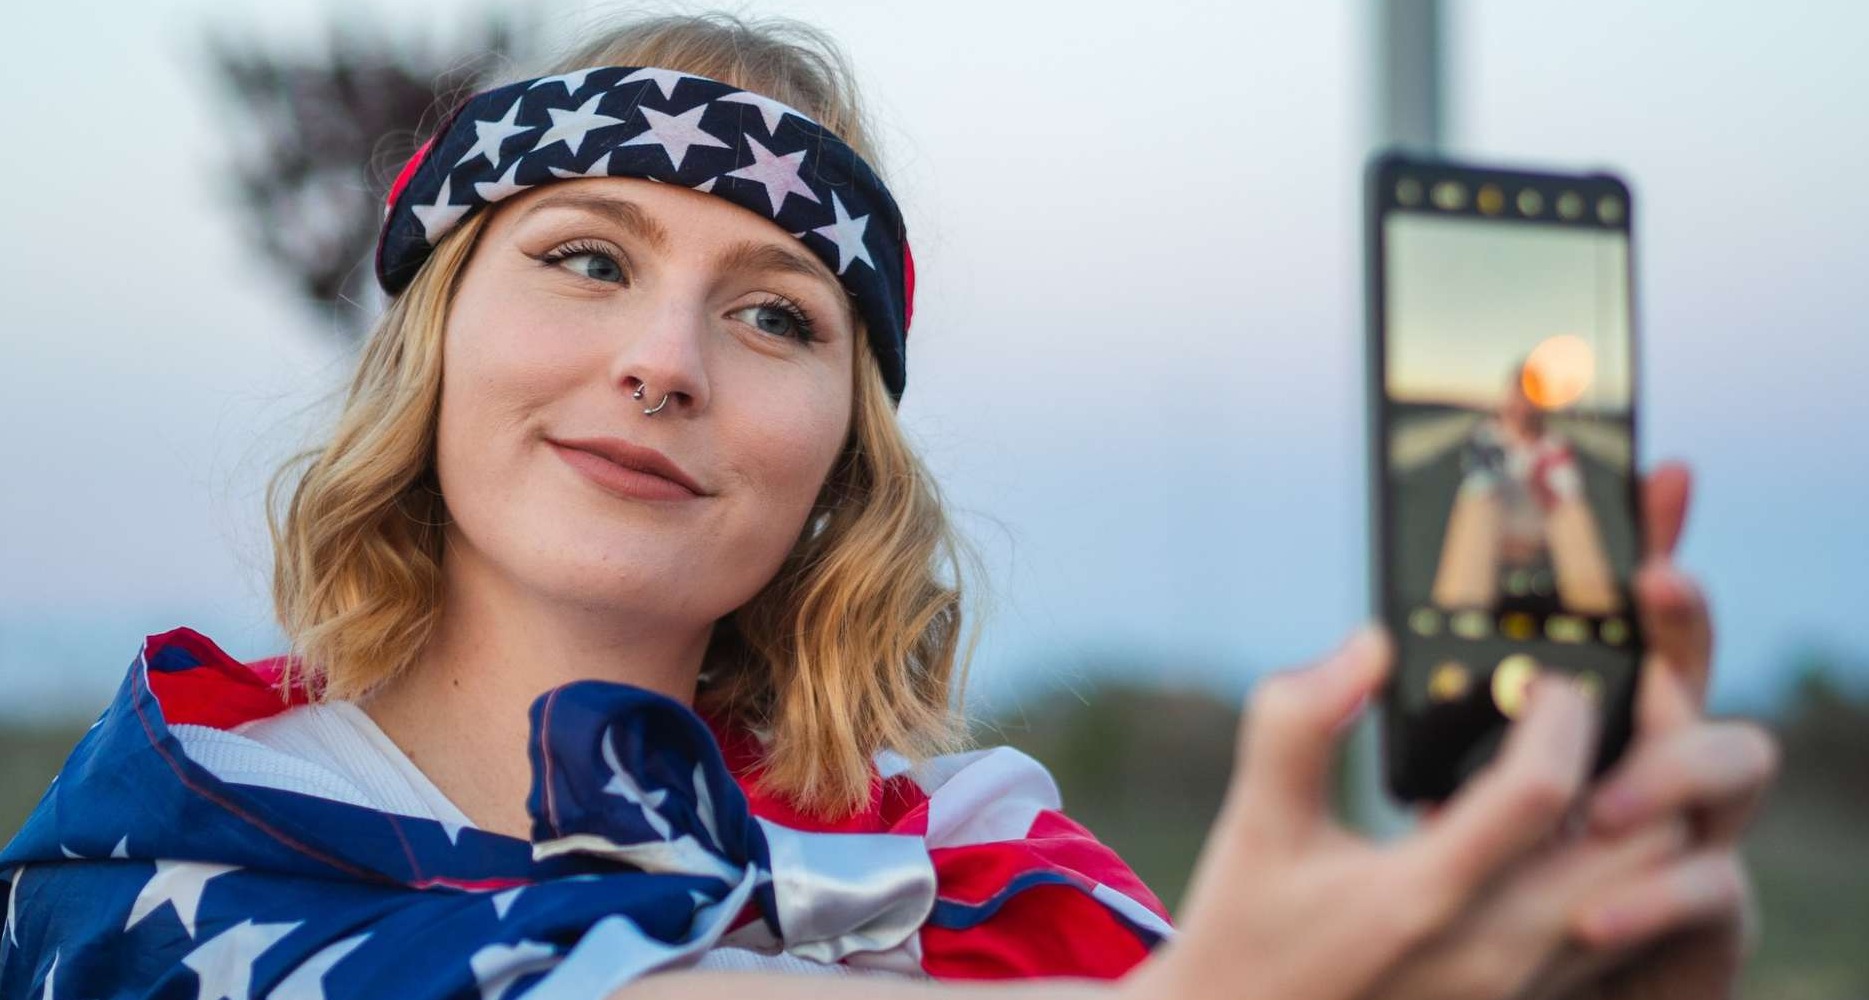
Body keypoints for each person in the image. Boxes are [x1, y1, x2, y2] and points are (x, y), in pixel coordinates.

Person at [0, 12, 1777, 1000]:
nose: (666, 359)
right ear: (432, 345)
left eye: (775, 312)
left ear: (843, 455)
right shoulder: (176, 840)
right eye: (586, 261)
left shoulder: (973, 854)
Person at [1431, 363, 1621, 617]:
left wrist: (1541, 479)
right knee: (1477, 506)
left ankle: (1598, 619)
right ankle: (1458, 620)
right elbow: (1481, 482)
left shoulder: (1554, 446)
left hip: (1543, 534)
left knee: (1572, 513)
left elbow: (1565, 492)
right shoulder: (1487, 438)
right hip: (1498, 531)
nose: (1523, 405)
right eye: (1518, 394)